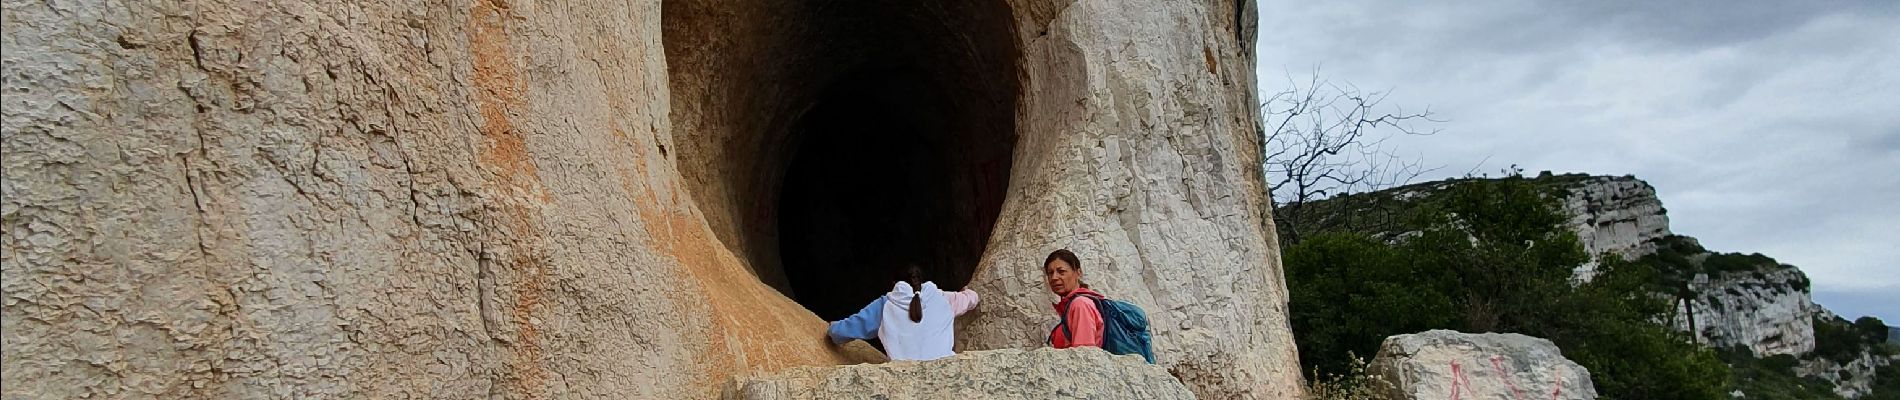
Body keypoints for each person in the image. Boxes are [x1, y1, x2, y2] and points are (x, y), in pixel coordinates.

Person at [825, 265, 979, 361]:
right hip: (945, 370)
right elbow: (972, 299)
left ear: (894, 284)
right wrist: (967, 292)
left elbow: (850, 328)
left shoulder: (886, 304)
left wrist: (833, 329)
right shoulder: (943, 299)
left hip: (905, 376)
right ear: (922, 282)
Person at [1045, 249, 1104, 349]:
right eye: (1050, 273)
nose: (1054, 277)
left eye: (1061, 271)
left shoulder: (1080, 305)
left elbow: (1083, 353)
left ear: (1078, 272)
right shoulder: (1071, 306)